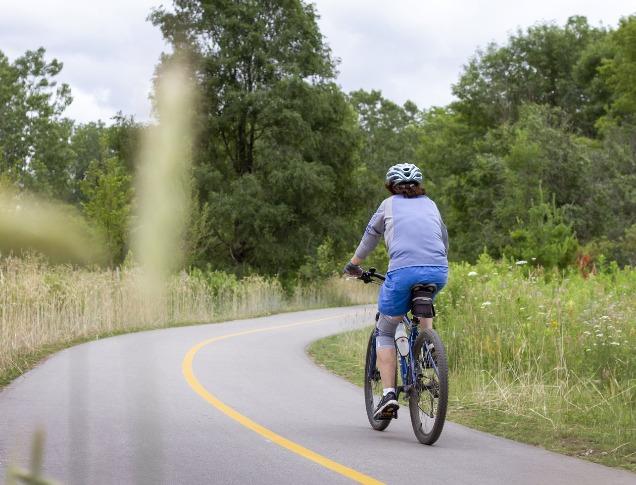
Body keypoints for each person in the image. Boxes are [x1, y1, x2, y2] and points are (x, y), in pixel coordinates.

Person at [344, 163, 449, 419]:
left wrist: (353, 265)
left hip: (403, 272)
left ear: (391, 186)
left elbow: (370, 236)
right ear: (419, 186)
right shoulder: (431, 204)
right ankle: (428, 344)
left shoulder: (388, 204)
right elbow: (444, 239)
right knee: (425, 297)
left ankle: (389, 394)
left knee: (386, 330)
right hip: (438, 270)